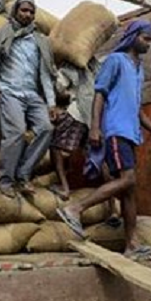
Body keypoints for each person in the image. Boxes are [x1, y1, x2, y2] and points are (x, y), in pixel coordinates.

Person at [58, 20, 151, 256]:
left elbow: (137, 107)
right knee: (128, 180)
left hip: (131, 134)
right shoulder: (115, 61)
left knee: (130, 191)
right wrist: (96, 128)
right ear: (132, 37)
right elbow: (100, 94)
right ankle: (75, 208)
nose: (148, 45)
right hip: (115, 131)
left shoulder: (139, 69)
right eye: (145, 39)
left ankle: (131, 245)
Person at [0, 0, 57, 198]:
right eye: (24, 10)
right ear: (15, 11)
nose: (28, 14)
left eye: (31, 11)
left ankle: (23, 174)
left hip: (32, 94)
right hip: (9, 91)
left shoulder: (39, 41)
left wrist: (51, 103)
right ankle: (5, 179)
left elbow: (45, 75)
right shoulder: (4, 35)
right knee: (16, 132)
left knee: (46, 128)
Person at [49, 58, 100, 200]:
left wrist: (52, 73)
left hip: (77, 114)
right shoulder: (97, 66)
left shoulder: (72, 65)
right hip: (94, 120)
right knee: (99, 159)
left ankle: (65, 189)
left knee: (55, 147)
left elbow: (58, 87)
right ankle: (112, 208)